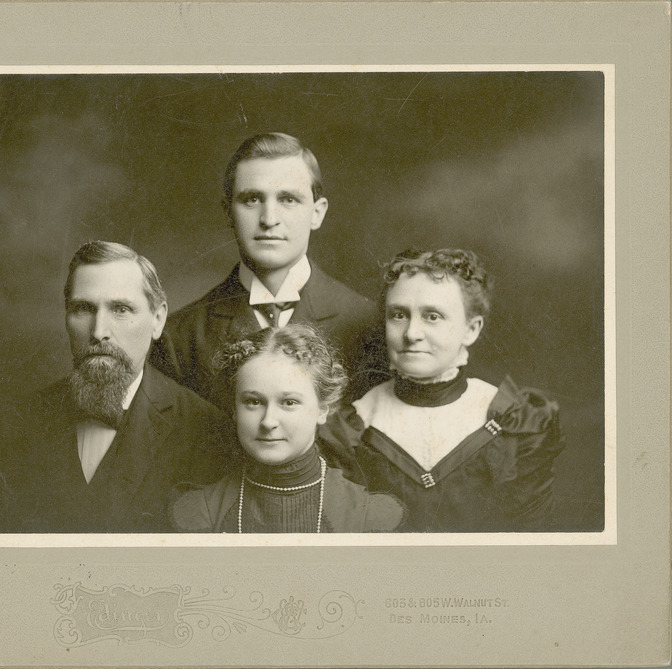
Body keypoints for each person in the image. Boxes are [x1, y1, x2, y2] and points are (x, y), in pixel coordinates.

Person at [0, 241, 235, 533]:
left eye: (121, 309)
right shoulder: (19, 421)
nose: (99, 331)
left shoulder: (205, 430)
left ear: (158, 319)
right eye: (83, 309)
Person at [318, 249, 565, 532]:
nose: (411, 333)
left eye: (432, 316)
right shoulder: (351, 428)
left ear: (470, 330)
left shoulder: (514, 420)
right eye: (398, 315)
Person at [151, 132, 382, 407]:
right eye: (252, 200)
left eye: (288, 200)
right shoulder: (179, 338)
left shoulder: (369, 325)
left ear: (317, 213)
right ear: (228, 212)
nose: (269, 219)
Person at [167, 325, 405, 533]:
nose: (268, 422)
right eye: (253, 402)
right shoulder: (200, 512)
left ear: (323, 409)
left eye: (289, 402)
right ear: (234, 408)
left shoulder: (365, 515)